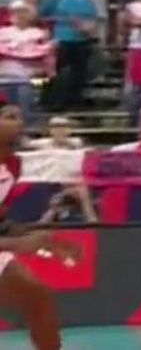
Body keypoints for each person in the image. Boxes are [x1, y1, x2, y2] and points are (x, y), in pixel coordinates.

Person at [0, 103, 83, 350]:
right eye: (9, 117)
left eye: (20, 117)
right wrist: (18, 244)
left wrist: (45, 238)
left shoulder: (12, 166)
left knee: (37, 296)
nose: (20, 122)